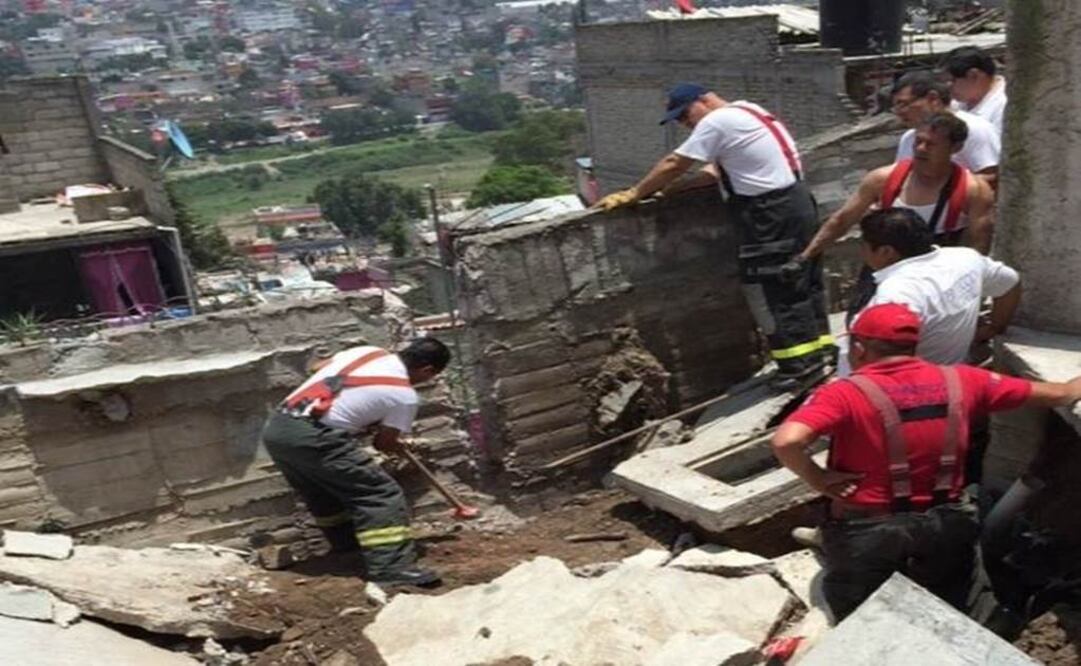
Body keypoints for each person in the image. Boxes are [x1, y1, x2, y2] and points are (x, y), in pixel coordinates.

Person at [771, 303, 1081, 620]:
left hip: (866, 526)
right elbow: (1060, 394)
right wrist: (1072, 386)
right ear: (913, 346)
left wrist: (817, 478)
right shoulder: (962, 380)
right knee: (955, 604)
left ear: (860, 347)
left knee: (860, 613)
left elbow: (786, 440)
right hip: (944, 521)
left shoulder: (843, 393)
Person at [594, 83, 833, 386]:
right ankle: (822, 354)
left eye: (685, 115)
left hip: (769, 213)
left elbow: (674, 163)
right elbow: (719, 170)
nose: (685, 123)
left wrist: (635, 193)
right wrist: (675, 188)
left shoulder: (716, 120)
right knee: (802, 280)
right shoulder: (750, 111)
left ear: (704, 100)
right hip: (795, 203)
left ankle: (801, 368)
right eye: (679, 120)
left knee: (777, 286)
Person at [262, 337, 451, 586]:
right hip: (315, 437)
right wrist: (391, 439)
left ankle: (346, 547)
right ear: (427, 369)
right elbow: (382, 444)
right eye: (430, 376)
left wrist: (359, 410)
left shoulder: (368, 352)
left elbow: (317, 368)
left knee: (322, 491)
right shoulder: (404, 396)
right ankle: (390, 567)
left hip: (279, 427)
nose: (427, 381)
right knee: (380, 494)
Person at [801, 112, 996, 261]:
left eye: (931, 144)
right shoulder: (881, 179)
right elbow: (842, 221)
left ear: (955, 148)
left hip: (938, 277)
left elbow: (979, 243)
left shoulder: (973, 190)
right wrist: (806, 257)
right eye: (918, 141)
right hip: (883, 272)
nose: (921, 149)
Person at [856, 207, 1021, 366]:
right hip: (953, 374)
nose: (862, 254)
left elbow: (880, 359)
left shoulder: (896, 293)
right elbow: (1010, 282)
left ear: (886, 251)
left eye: (863, 246)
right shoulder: (965, 259)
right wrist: (994, 327)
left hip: (907, 388)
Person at [891, 71, 1000, 186]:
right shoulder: (908, 138)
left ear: (933, 98)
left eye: (903, 104)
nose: (899, 113)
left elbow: (994, 177)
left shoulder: (975, 129)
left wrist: (942, 190)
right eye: (896, 107)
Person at [944, 46, 1007, 136]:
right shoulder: (958, 101)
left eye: (952, 80)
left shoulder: (1004, 106)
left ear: (974, 76)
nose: (948, 86)